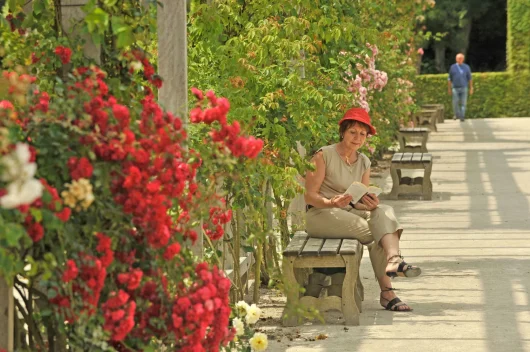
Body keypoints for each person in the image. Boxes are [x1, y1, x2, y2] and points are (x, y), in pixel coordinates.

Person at [304, 107, 421, 312]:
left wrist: (368, 203)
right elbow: (310, 196)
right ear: (342, 132)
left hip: (347, 213)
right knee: (377, 234)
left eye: (362, 134)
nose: (357, 138)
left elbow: (357, 200)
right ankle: (388, 291)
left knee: (383, 211)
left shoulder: (364, 161)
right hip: (320, 214)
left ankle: (394, 260)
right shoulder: (324, 155)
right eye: (353, 132)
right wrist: (332, 202)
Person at [448, 53, 473, 121]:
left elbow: (470, 78)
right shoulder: (452, 67)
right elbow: (450, 79)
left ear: (463, 59)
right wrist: (449, 89)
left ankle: (462, 116)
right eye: (458, 58)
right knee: (455, 102)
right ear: (456, 59)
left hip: (464, 88)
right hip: (455, 88)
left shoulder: (466, 67)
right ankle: (457, 114)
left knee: (463, 103)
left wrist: (471, 88)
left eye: (461, 58)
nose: (460, 60)